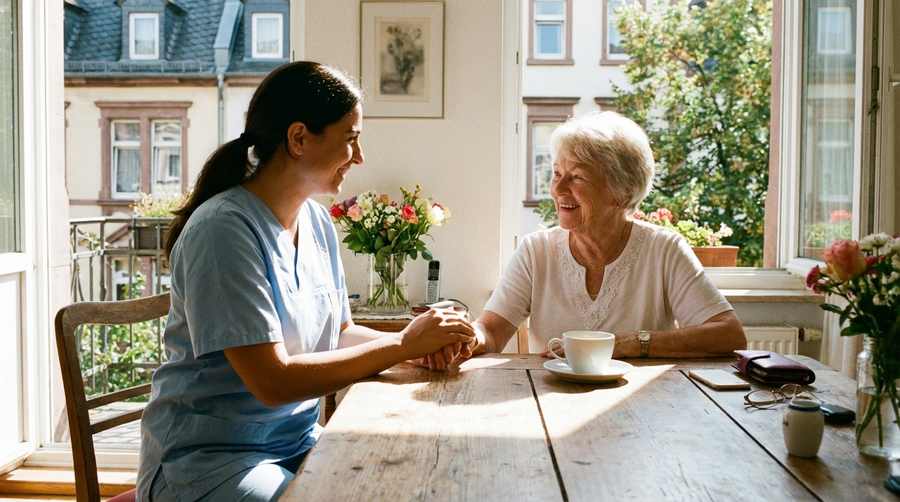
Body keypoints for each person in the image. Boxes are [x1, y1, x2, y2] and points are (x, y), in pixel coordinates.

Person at [136, 61, 475, 502]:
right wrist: (402, 346)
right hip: (208, 461)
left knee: (407, 482)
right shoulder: (222, 230)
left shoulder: (315, 221)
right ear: (298, 138)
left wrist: (422, 350)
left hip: (295, 444)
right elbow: (273, 381)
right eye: (351, 139)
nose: (360, 156)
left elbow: (339, 333)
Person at [421, 111, 744, 371]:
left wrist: (628, 343)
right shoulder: (537, 250)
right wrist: (466, 338)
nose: (559, 190)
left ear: (621, 193)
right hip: (548, 401)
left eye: (576, 177)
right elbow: (491, 330)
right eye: (557, 173)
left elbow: (728, 335)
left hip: (644, 408)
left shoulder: (663, 249)